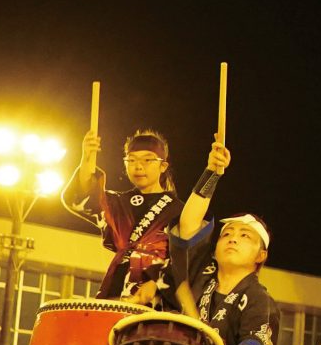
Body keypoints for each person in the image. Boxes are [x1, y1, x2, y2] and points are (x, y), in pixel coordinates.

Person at [159, 214, 291, 345]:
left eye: (244, 235)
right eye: (226, 234)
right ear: (214, 250)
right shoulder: (198, 284)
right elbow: (186, 231)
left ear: (261, 255)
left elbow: (257, 342)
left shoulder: (259, 298)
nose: (233, 239)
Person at [63, 128, 225, 303]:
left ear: (163, 166)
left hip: (155, 290)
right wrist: (87, 158)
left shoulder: (177, 209)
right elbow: (83, 196)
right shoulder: (118, 203)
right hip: (117, 286)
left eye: (148, 160)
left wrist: (212, 171)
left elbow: (188, 254)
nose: (138, 166)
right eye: (131, 160)